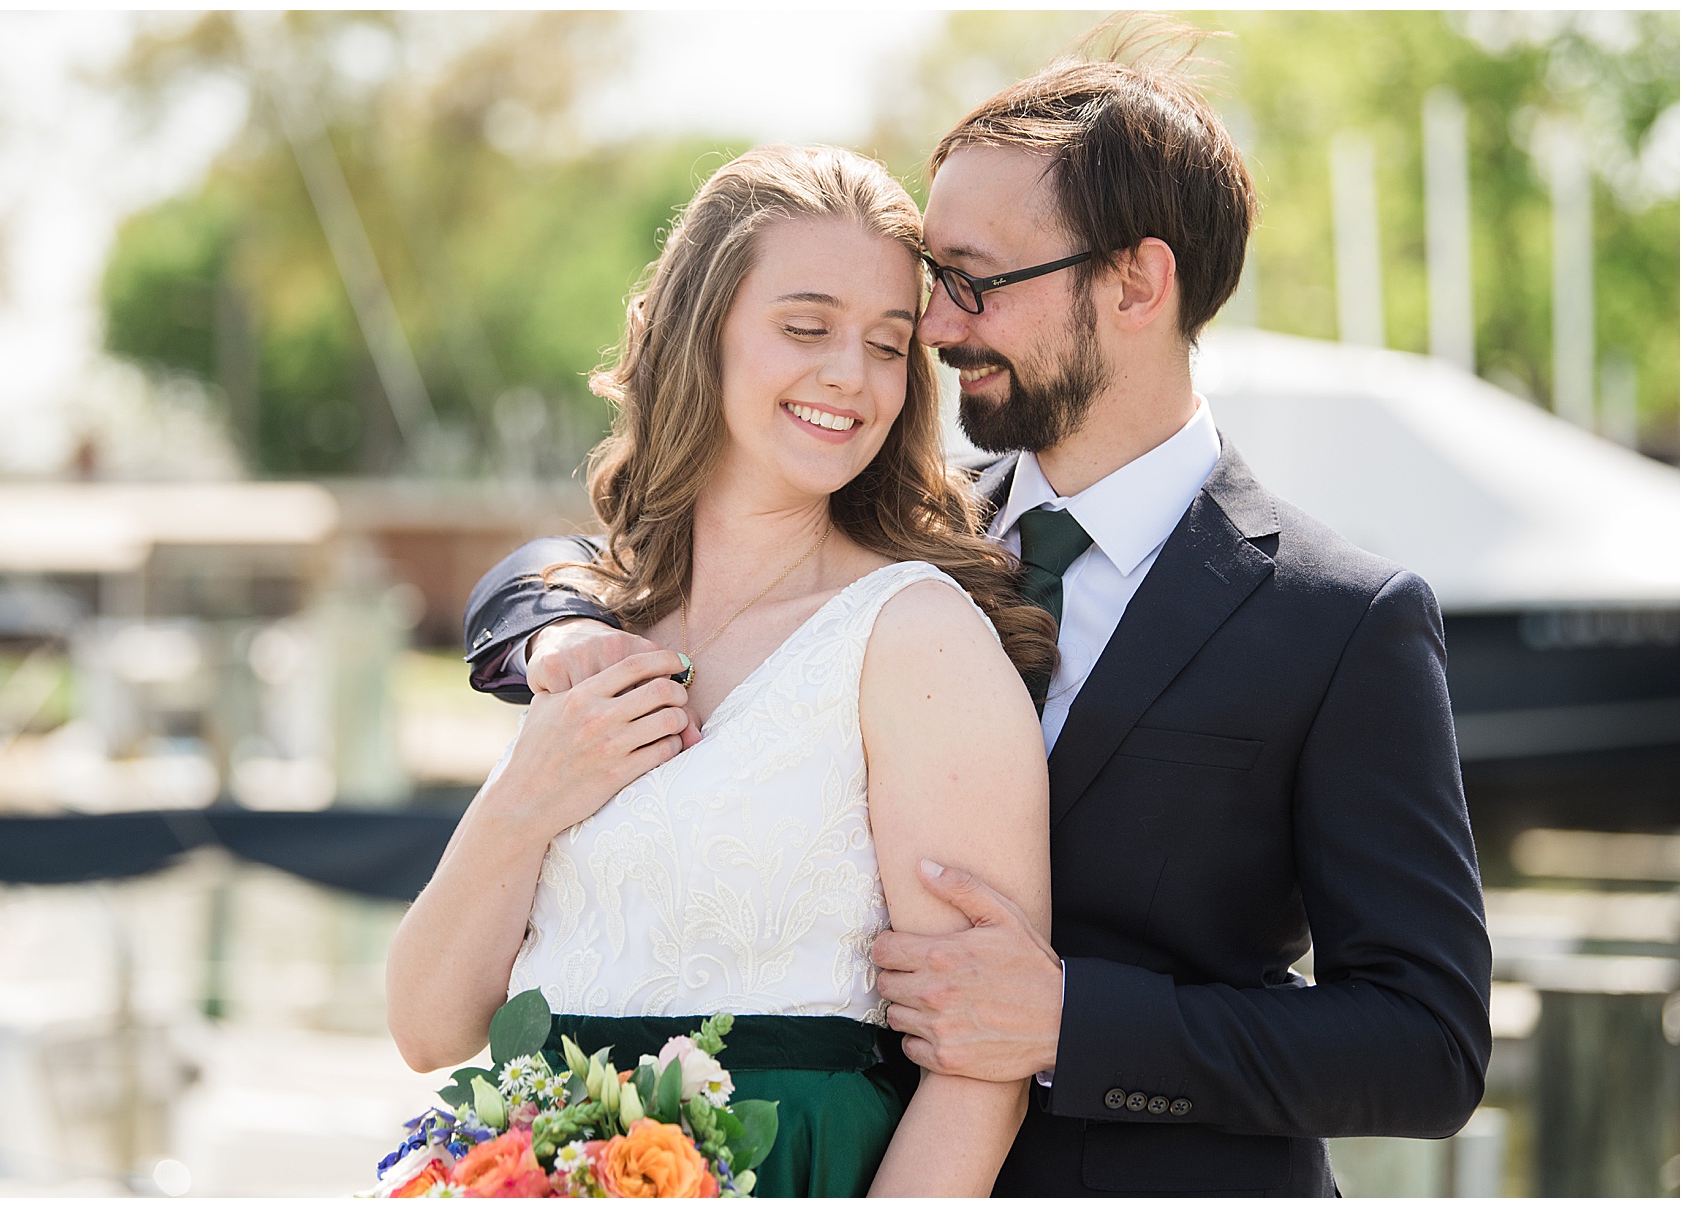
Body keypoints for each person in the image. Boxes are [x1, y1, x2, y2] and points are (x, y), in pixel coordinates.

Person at [461, 27, 1493, 1199]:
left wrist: (1073, 1020)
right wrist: (547, 626)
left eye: (975, 281)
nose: (939, 328)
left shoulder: (1340, 619)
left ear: (1136, 282)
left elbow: (1430, 1045)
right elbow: (614, 550)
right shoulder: (906, 537)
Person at [387, 144, 1057, 1197]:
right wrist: (530, 796)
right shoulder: (591, 631)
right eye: (806, 327)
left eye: (889, 344)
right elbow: (428, 1025)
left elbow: (982, 1068)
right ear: (700, 334)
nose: (852, 373)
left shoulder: (913, 637)